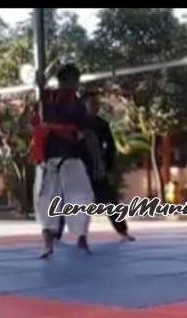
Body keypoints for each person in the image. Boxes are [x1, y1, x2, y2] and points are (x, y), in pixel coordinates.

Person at [32, 63, 102, 258]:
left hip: (67, 156)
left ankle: (80, 239)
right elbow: (44, 118)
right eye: (71, 81)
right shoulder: (50, 98)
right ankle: (50, 243)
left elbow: (88, 133)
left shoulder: (76, 104)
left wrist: (97, 160)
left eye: (75, 82)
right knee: (51, 200)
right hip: (55, 158)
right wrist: (40, 87)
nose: (74, 85)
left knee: (80, 197)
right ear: (65, 81)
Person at [56, 91, 134, 243]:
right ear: (83, 106)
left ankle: (123, 231)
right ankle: (57, 234)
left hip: (98, 169)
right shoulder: (74, 125)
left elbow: (110, 147)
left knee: (110, 201)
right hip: (79, 171)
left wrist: (109, 168)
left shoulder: (102, 125)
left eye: (97, 104)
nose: (95, 107)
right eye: (92, 104)